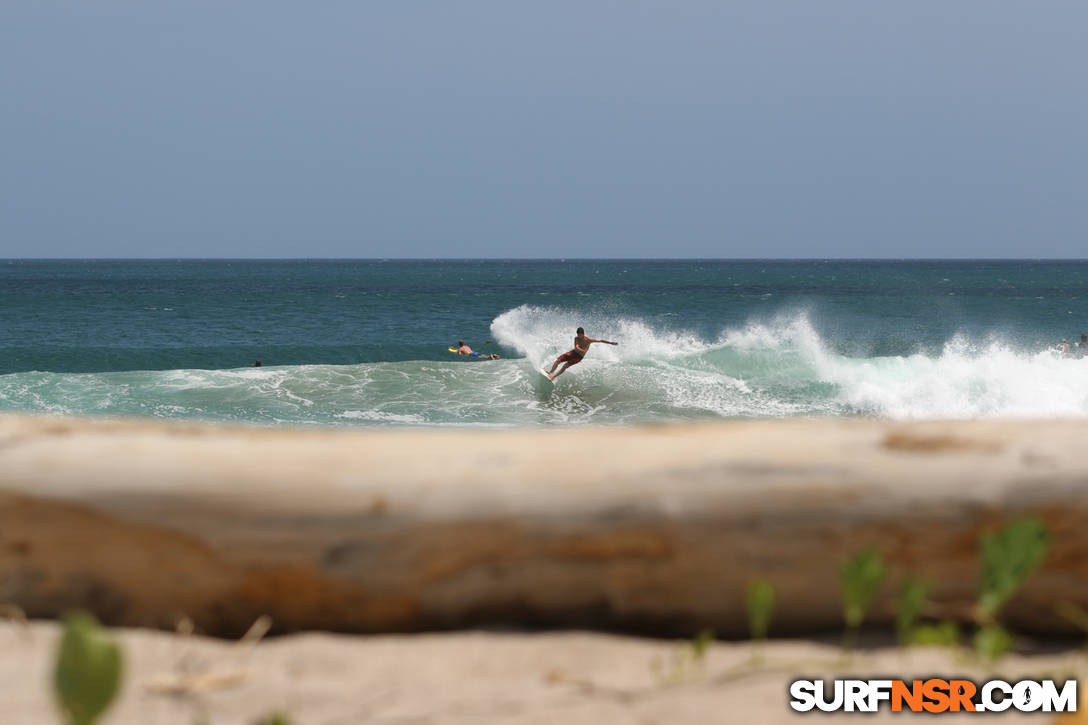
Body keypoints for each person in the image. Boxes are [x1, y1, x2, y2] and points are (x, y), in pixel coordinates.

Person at [545, 327, 618, 381]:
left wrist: (611, 343)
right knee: (558, 360)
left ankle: (553, 377)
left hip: (579, 357)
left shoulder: (589, 340)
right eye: (578, 335)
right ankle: (550, 372)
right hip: (573, 352)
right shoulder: (576, 338)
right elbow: (576, 347)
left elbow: (600, 340)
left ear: (583, 334)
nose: (579, 336)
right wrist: (582, 350)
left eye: (580, 335)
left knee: (565, 365)